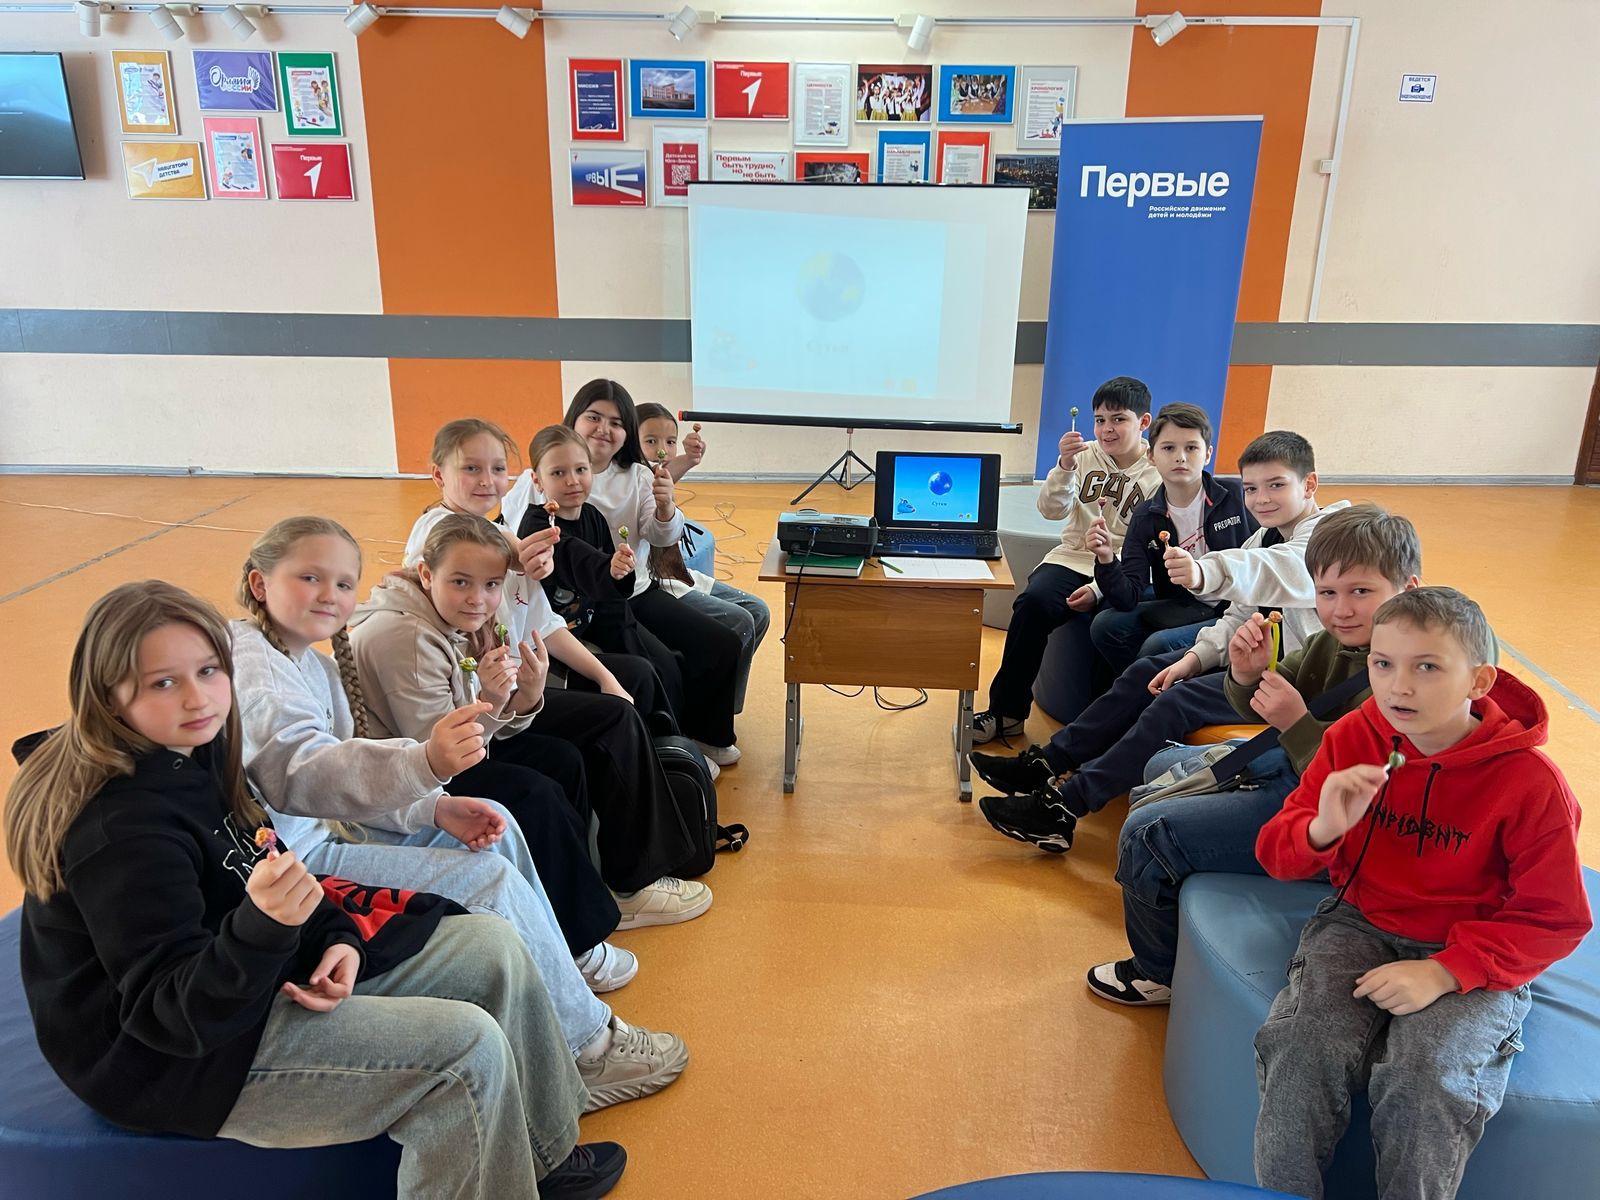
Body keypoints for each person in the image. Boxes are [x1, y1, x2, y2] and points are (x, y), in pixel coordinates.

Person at [6, 580, 625, 1199]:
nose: (197, 697)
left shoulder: (195, 748)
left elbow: (270, 860)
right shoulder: (120, 833)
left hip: (238, 978)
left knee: (492, 946)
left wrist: (336, 938)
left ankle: (542, 1157)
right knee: (466, 1052)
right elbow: (170, 1015)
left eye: (209, 670)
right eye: (163, 682)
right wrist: (264, 927)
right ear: (108, 697)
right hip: (175, 1060)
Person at [234, 516, 692, 1108]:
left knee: (499, 826)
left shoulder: (312, 665)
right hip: (296, 866)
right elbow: (302, 774)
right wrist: (431, 765)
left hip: (330, 832)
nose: (330, 595)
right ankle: (587, 1049)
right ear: (260, 583)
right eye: (310, 578)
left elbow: (347, 780)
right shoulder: (258, 666)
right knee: (493, 874)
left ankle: (558, 982)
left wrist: (435, 808)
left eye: (344, 583)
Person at [1252, 587, 1590, 1200]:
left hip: (1472, 946)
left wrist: (1445, 970)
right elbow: (1277, 855)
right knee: (1300, 1048)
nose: (1398, 687)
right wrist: (1323, 828)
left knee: (1426, 1076)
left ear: (1478, 681)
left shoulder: (1531, 783)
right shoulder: (1355, 736)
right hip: (1359, 922)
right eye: (1383, 664)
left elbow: (1555, 917)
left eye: (1427, 666)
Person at [1086, 504, 1422, 1005]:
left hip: (1340, 826)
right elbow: (1268, 698)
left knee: (1144, 834)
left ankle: (1157, 972)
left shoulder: (1413, 679)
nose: (1341, 610)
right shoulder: (1334, 644)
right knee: (1157, 768)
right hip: (1297, 769)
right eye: (1327, 593)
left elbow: (1367, 793)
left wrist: (1297, 724)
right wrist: (1247, 674)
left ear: (1407, 590)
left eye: (1361, 592)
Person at [972, 430, 1350, 852]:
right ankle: (1049, 762)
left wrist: (1204, 571)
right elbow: (1237, 615)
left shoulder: (1331, 538)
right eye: (1251, 488)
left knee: (1177, 700)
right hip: (1261, 663)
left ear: (1309, 484)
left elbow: (1285, 569)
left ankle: (1065, 805)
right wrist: (1194, 658)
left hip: (1304, 683)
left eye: (1276, 485)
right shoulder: (1257, 535)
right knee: (1150, 670)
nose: (1261, 499)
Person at [353, 513, 712, 932]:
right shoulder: (410, 637)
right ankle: (581, 927)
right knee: (539, 791)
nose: (477, 598)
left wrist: (525, 696)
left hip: (459, 740)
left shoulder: (468, 603)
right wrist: (495, 699)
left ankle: (595, 886)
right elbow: (442, 760)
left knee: (577, 747)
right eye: (461, 582)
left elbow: (486, 707)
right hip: (413, 779)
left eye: (491, 584)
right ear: (427, 574)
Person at [509, 379, 742, 764]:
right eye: (594, 417)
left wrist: (666, 508)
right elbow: (529, 541)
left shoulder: (632, 478)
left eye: (616, 422)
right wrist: (608, 569)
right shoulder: (538, 485)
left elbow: (658, 536)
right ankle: (669, 746)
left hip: (632, 591)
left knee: (723, 640)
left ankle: (702, 737)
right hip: (581, 605)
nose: (604, 429)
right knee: (657, 665)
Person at [405, 417, 661, 713]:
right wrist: (521, 556)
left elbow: (543, 624)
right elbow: (494, 550)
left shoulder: (497, 532)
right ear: (439, 475)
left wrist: (606, 679)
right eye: (471, 468)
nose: (487, 480)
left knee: (637, 673)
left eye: (498, 469)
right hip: (481, 697)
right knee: (619, 711)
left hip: (521, 679)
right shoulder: (436, 531)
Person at [973, 375, 1161, 742]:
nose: (1107, 429)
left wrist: (1098, 588)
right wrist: (1064, 465)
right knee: (1032, 604)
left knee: (1110, 626)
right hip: (1073, 556)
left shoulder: (1156, 471)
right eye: (1100, 420)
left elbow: (1143, 551)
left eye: (1119, 419)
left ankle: (1098, 733)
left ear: (1143, 422)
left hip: (1124, 567)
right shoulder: (1084, 454)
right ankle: (1007, 712)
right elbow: (1051, 511)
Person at [1088, 401, 1256, 678]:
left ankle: (1140, 691)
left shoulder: (1237, 496)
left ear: (1207, 454)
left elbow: (1269, 549)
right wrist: (1106, 559)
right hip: (1186, 604)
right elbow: (1128, 596)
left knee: (1157, 645)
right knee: (1106, 625)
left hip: (1238, 608)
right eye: (1168, 448)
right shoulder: (1146, 516)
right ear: (1151, 456)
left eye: (1191, 448)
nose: (1180, 457)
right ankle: (1138, 688)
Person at [639, 401, 771, 715]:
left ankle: (725, 707)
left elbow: (661, 476)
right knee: (740, 622)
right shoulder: (630, 478)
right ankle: (710, 713)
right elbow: (651, 483)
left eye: (670, 441)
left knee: (758, 612)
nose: (662, 449)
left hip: (673, 574)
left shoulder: (648, 475)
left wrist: (688, 458)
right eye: (650, 441)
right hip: (653, 584)